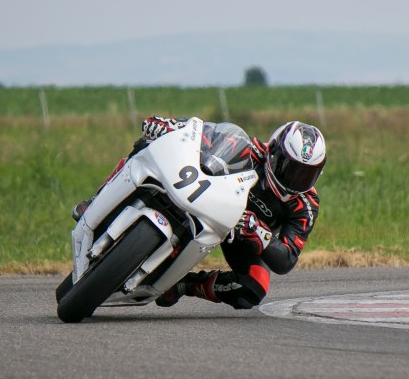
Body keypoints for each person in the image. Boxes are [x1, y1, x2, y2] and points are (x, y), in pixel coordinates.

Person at [73, 116, 326, 310]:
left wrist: (258, 232)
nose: (295, 181)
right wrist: (170, 126)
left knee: (255, 286)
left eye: (306, 174)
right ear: (274, 152)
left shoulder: (305, 205)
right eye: (290, 168)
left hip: (239, 234)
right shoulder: (250, 149)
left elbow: (286, 259)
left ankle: (184, 284)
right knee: (146, 144)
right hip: (202, 194)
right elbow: (198, 134)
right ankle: (97, 200)